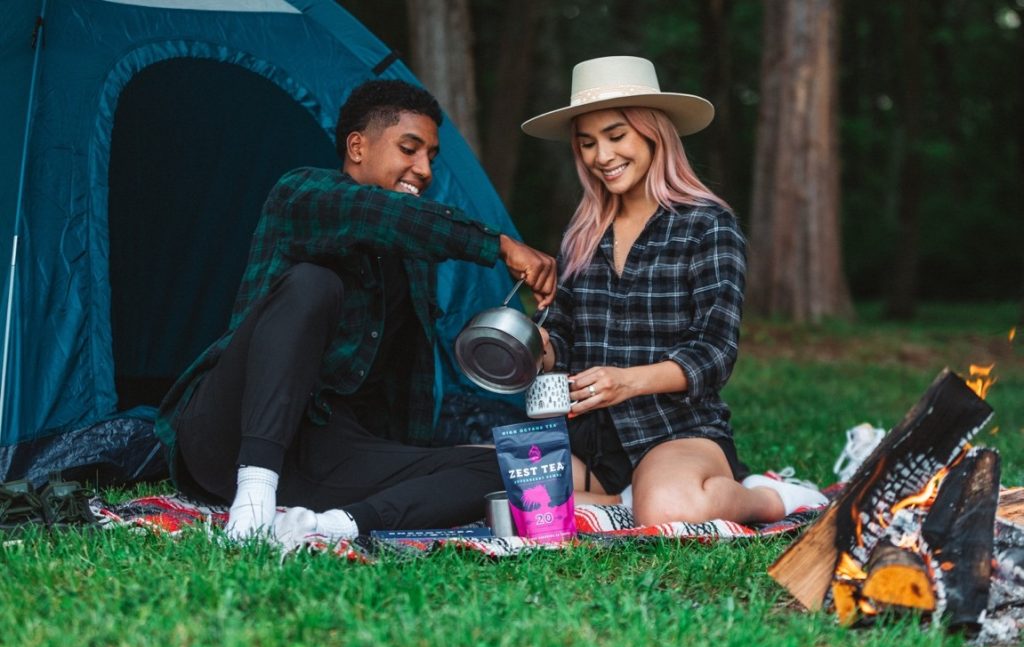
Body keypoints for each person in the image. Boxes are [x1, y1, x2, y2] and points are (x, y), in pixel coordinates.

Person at [155, 79, 556, 543]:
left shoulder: (412, 256)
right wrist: (498, 245)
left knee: (500, 466)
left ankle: (331, 525)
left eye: (431, 156)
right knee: (313, 283)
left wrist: (402, 463)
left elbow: (404, 389)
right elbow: (373, 214)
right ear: (358, 146)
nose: (424, 169)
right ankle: (253, 501)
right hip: (229, 435)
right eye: (409, 148)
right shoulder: (302, 194)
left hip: (324, 454)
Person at [521, 56, 826, 526]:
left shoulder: (707, 224)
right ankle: (628, 504)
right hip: (592, 437)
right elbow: (561, 337)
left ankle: (772, 498)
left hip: (675, 430)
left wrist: (627, 381)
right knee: (513, 487)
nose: (601, 156)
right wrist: (537, 348)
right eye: (586, 143)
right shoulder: (581, 232)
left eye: (616, 135)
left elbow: (715, 352)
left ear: (652, 133)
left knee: (670, 509)